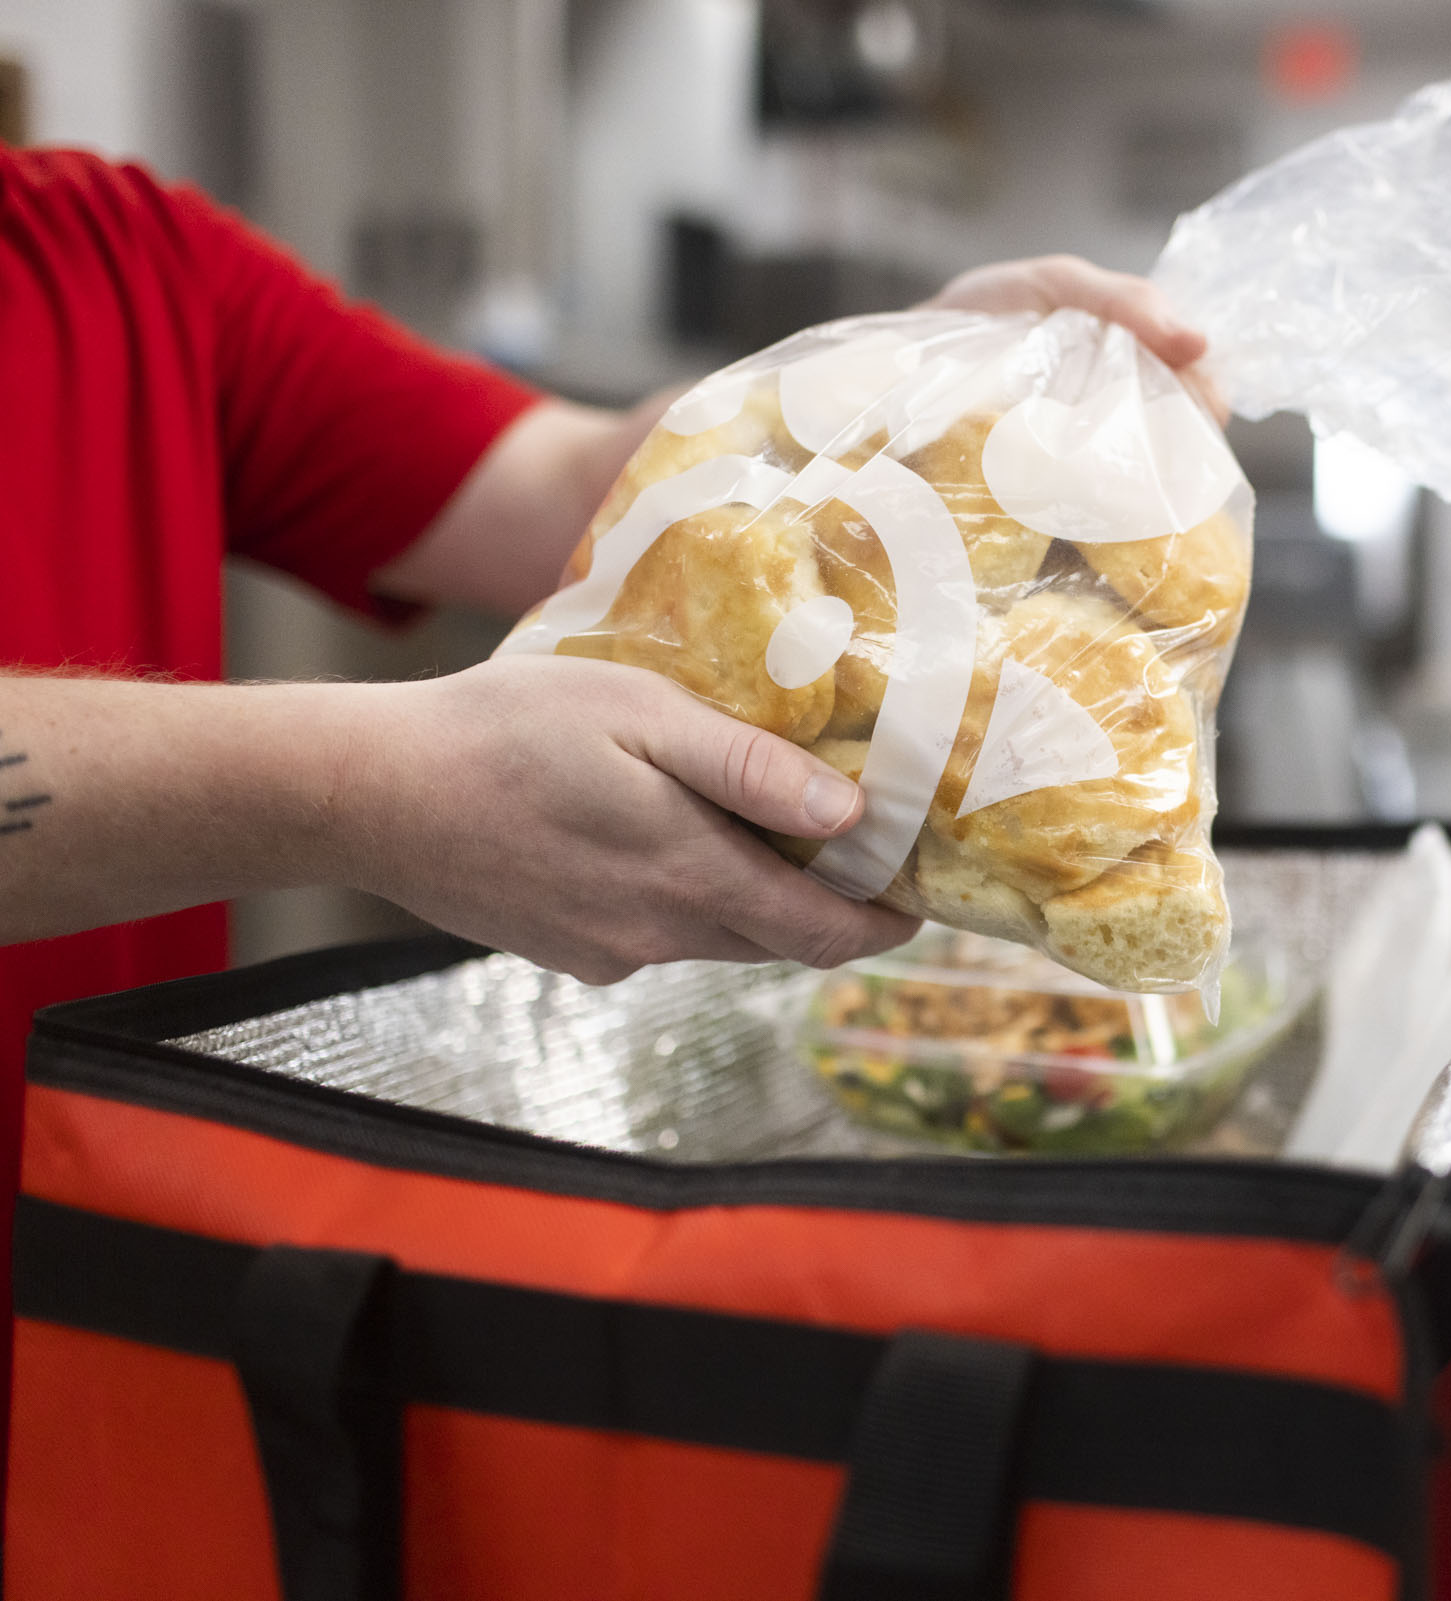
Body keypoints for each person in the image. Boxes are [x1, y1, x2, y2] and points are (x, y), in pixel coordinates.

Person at [0, 144, 1213, 1428]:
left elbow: (576, 494)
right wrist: (360, 783)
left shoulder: (102, 250)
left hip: (106, 1297)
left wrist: (890, 394)